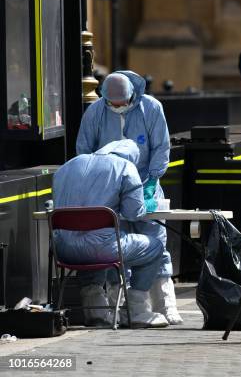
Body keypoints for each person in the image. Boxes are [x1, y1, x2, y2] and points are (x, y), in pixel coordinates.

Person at [76, 71, 183, 325]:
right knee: (118, 246)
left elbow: (161, 146)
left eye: (122, 103)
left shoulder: (151, 107)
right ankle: (122, 307)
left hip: (146, 183)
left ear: (133, 95)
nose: (118, 107)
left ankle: (164, 304)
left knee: (155, 240)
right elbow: (84, 151)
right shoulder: (95, 112)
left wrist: (152, 181)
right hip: (110, 191)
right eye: (113, 103)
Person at [52, 140, 168, 328]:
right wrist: (148, 204)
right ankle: (136, 310)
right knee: (154, 247)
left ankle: (95, 312)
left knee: (93, 238)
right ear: (132, 157)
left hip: (63, 249)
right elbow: (133, 213)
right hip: (101, 249)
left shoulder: (67, 166)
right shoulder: (125, 166)